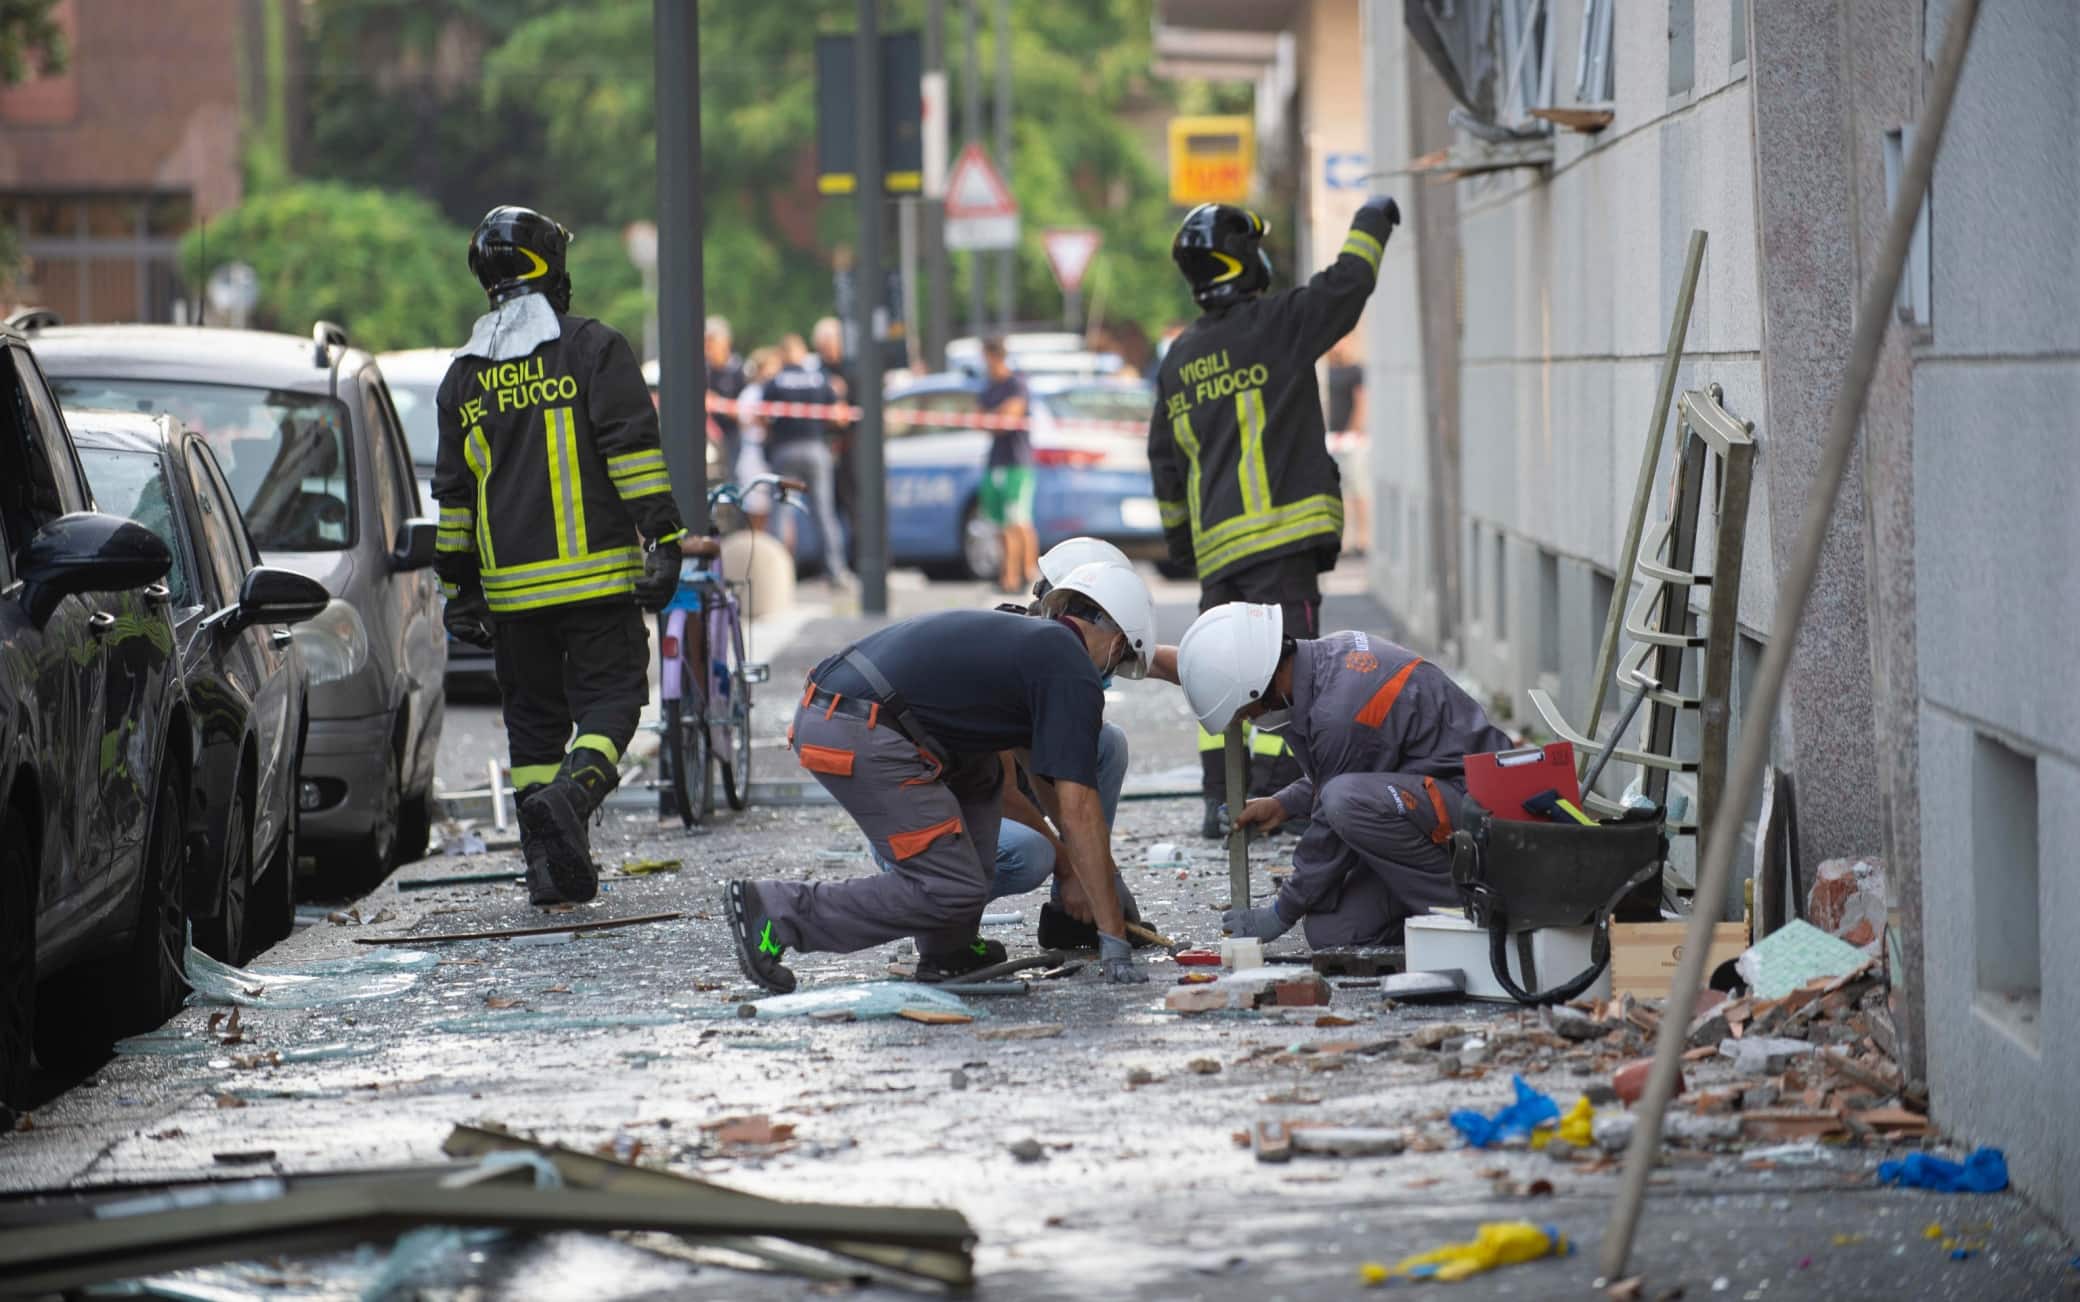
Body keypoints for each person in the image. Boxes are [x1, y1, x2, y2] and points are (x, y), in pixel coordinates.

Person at [723, 564, 1159, 992]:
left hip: (858, 710)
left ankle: (950, 949)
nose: (1110, 673)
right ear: (1118, 642)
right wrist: (1114, 941)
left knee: (981, 775)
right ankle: (776, 913)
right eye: (1120, 663)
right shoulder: (1071, 667)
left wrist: (1101, 884)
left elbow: (1050, 782)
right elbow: (1079, 810)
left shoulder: (1039, 644)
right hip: (857, 726)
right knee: (950, 888)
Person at [434, 205, 685, 906]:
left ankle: (550, 869)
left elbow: (454, 498)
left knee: (534, 728)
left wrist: (460, 589)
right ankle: (572, 801)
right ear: (552, 268)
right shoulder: (592, 349)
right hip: (598, 582)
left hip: (512, 599)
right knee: (615, 701)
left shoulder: (463, 378)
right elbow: (632, 455)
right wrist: (663, 538)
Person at [1147, 196, 1401, 839]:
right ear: (1244, 261)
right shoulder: (1280, 324)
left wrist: (1184, 546)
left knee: (1215, 676)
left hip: (1218, 558)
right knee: (1289, 673)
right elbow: (1348, 285)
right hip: (1281, 547)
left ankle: (1220, 801)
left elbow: (1166, 465)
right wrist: (1373, 219)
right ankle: (1273, 803)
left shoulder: (1180, 360)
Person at [1176, 602, 1513, 948]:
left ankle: (1470, 918)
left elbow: (1334, 820)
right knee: (1333, 932)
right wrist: (1284, 804)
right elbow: (1356, 767)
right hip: (1427, 806)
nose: (1249, 719)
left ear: (1257, 685)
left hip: (1481, 810)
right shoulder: (1321, 667)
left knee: (1343, 802)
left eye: (1246, 710)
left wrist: (1282, 911)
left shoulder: (1340, 711)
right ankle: (1429, 919)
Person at [764, 332, 854, 584]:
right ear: (802, 353)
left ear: (783, 354)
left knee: (782, 513)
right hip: (815, 450)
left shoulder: (775, 381)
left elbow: (762, 418)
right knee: (824, 513)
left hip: (785, 451)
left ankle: (777, 576)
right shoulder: (819, 378)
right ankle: (836, 570)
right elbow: (839, 416)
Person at [976, 337, 1037, 594]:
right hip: (996, 461)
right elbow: (982, 420)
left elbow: (1008, 419)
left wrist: (997, 417)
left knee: (1018, 520)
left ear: (994, 355)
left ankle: (1027, 573)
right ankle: (1007, 575)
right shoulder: (989, 387)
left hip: (1017, 462)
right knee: (1001, 523)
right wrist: (996, 417)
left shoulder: (1016, 384)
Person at [1325, 333, 1371, 557]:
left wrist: (1354, 430)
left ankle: (1363, 540)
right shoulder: (1328, 372)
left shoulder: (1356, 371)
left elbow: (1361, 401)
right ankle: (1343, 540)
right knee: (1338, 492)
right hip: (1333, 439)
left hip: (1351, 440)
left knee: (1358, 489)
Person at [704, 316, 749, 478]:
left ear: (726, 343)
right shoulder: (703, 368)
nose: (707, 348)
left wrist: (717, 403)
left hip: (731, 434)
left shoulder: (739, 370)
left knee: (731, 474)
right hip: (706, 434)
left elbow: (746, 407)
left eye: (711, 343)